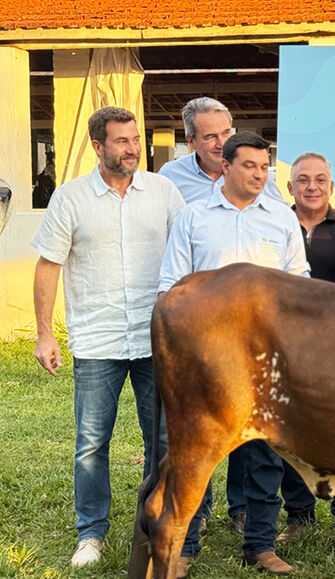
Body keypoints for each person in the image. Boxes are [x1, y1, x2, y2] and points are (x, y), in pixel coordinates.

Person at [31, 106, 184, 568]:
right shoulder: (71, 198)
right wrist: (43, 335)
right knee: (91, 443)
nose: (133, 148)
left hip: (156, 338)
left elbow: (187, 256)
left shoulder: (163, 192)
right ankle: (91, 534)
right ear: (98, 146)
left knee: (162, 440)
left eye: (135, 139)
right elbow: (48, 266)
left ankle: (165, 527)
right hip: (97, 341)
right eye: (121, 141)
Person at [159, 131, 310, 576]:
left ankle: (260, 544)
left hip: (263, 357)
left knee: (264, 452)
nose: (260, 174)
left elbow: (298, 281)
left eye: (265, 167)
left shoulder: (282, 218)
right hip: (205, 355)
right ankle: (185, 545)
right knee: (196, 451)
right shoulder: (193, 217)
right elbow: (171, 285)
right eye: (249, 166)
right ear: (224, 166)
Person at [158, 96, 283, 535]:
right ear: (191, 140)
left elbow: (294, 278)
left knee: (257, 438)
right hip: (204, 340)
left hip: (261, 343)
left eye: (225, 133)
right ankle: (195, 517)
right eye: (209, 136)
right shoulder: (178, 192)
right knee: (201, 432)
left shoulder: (274, 206)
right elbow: (172, 276)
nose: (219, 142)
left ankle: (248, 518)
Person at [275, 152, 335, 550]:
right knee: (289, 434)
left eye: (321, 180)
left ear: (332, 185)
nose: (312, 187)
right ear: (289, 186)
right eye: (303, 180)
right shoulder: (275, 225)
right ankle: (298, 517)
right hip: (287, 347)